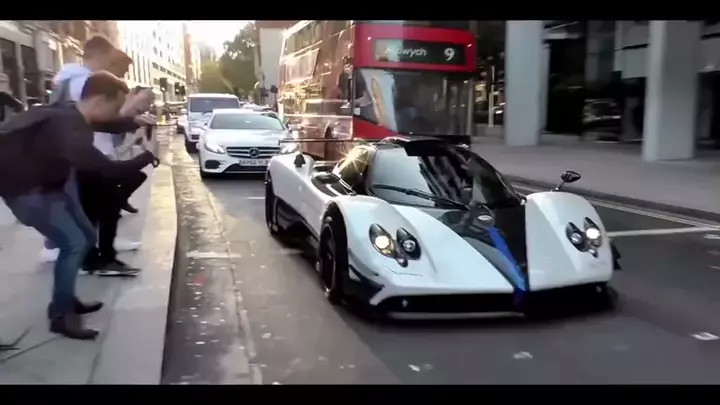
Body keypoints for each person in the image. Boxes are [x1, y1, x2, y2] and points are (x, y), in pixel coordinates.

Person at [0, 71, 158, 339]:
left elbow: (106, 125)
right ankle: (61, 315)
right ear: (100, 100)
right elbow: (109, 170)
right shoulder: (70, 129)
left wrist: (132, 121)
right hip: (27, 193)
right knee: (73, 243)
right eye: (116, 106)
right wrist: (148, 155)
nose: (117, 112)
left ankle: (66, 297)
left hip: (50, 187)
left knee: (85, 236)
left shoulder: (69, 112)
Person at [40, 36, 153, 267]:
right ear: (100, 56)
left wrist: (131, 121)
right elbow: (100, 119)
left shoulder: (74, 81)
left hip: (87, 152)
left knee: (101, 205)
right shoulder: (85, 82)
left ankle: (98, 250)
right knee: (93, 205)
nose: (113, 68)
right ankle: (80, 253)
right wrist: (133, 112)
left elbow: (100, 121)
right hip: (87, 154)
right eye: (111, 61)